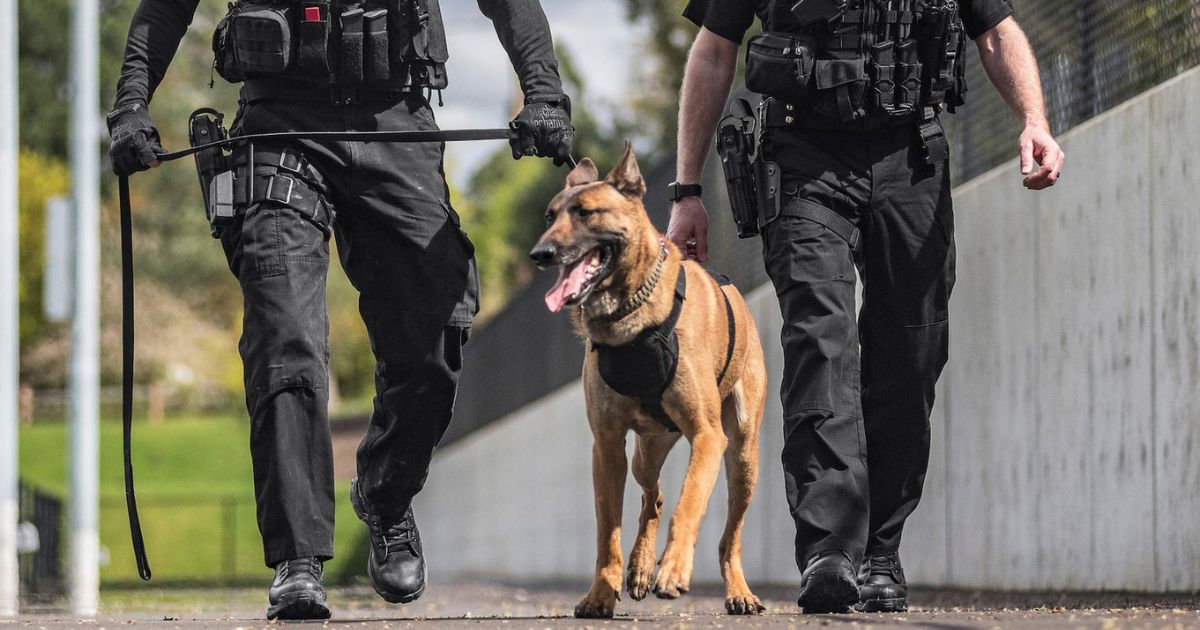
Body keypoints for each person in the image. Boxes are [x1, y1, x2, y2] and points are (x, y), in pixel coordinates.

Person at [107, 0, 572, 620]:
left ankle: (385, 493)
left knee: (436, 325)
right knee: (285, 334)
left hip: (395, 119)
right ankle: (297, 560)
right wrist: (131, 103)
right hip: (280, 124)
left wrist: (543, 94)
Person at [666, 0, 1062, 614]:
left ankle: (880, 552)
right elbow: (715, 48)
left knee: (912, 351)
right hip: (801, 155)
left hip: (911, 155)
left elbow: (995, 31)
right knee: (820, 339)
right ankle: (830, 549)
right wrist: (687, 191)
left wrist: (1034, 119)